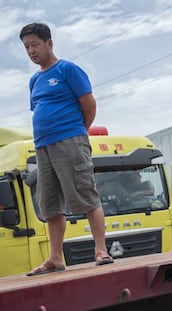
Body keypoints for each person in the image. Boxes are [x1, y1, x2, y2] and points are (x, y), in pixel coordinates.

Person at [19, 23, 113, 276]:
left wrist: (79, 130)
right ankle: (55, 258)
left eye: (34, 44)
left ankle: (101, 250)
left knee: (84, 193)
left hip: (70, 140)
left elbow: (89, 104)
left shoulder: (67, 69)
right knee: (49, 203)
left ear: (49, 43)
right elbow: (39, 110)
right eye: (26, 47)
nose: (30, 51)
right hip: (43, 146)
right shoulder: (34, 80)